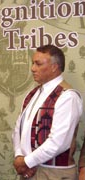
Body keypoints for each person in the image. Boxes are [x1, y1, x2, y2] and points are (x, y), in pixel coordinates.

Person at [12, 44, 83, 179]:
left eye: (38, 64)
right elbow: (18, 130)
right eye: (33, 63)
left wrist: (26, 162)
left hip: (55, 173)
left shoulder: (68, 96)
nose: (32, 68)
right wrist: (19, 156)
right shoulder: (32, 94)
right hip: (29, 170)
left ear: (54, 67)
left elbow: (59, 142)